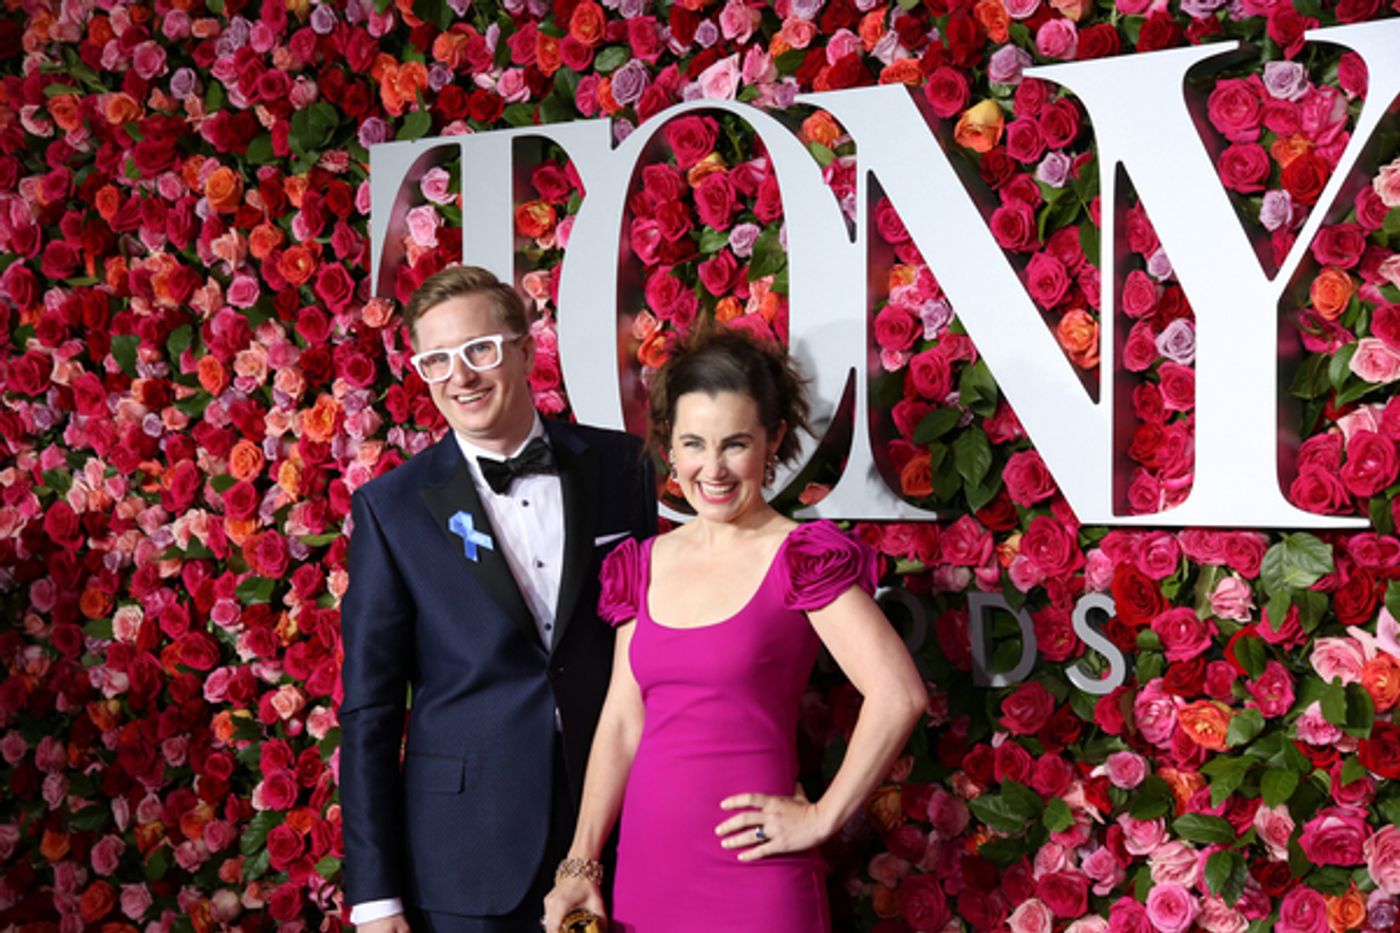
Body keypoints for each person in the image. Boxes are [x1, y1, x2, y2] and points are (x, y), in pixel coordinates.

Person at [542, 328, 927, 931]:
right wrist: (580, 865)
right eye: (693, 443)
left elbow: (899, 694)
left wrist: (823, 818)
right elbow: (621, 722)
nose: (713, 469)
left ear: (773, 439)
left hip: (757, 876)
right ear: (670, 445)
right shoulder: (641, 565)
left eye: (735, 444)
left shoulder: (799, 556)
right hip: (648, 874)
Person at [339, 266, 657, 932]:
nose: (461, 376)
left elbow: (662, 643)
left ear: (525, 349)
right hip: (462, 855)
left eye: (480, 349)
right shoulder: (389, 509)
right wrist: (374, 897)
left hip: (619, 833)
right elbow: (369, 709)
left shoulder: (623, 468)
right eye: (436, 360)